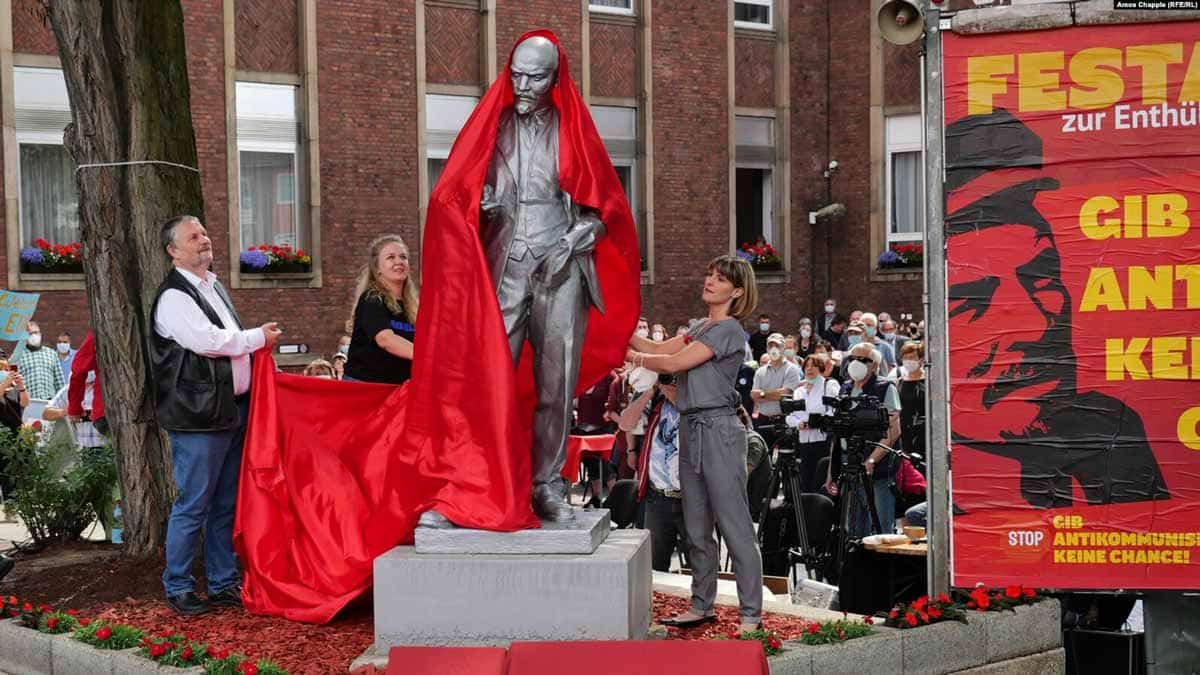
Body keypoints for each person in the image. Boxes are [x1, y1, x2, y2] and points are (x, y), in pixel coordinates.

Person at [422, 33, 614, 527]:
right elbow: (454, 195)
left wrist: (568, 245)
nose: (524, 85)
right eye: (517, 75)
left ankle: (547, 485)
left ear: (556, 78)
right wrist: (479, 206)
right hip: (503, 267)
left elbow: (602, 213)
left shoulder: (574, 131)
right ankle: (473, 486)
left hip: (561, 268)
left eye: (536, 77)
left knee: (556, 386)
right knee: (485, 382)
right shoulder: (493, 126)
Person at [945, 109, 1167, 507]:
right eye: (974, 297)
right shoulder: (953, 499)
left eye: (1042, 277)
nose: (1034, 325)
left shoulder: (1109, 434)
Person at [150, 215, 282, 616]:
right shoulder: (175, 295)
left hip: (227, 410)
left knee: (224, 503)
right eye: (194, 237)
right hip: (198, 417)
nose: (204, 240)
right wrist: (256, 337)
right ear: (173, 251)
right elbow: (206, 342)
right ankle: (178, 586)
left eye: (205, 233)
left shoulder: (212, 286)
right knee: (194, 504)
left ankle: (223, 582)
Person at [626, 254, 763, 633]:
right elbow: (660, 350)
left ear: (737, 291)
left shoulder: (730, 330)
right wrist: (619, 329)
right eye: (710, 274)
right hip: (692, 426)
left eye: (719, 279)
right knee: (696, 525)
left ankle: (751, 614)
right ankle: (702, 604)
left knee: (734, 525)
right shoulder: (703, 325)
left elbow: (671, 364)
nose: (710, 281)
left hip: (718, 429)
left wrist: (631, 354)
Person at [824, 343, 902, 538]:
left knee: (882, 524)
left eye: (862, 359)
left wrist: (872, 460)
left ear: (874, 365)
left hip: (876, 467)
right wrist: (831, 470)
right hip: (848, 461)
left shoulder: (885, 387)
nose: (856, 363)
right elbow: (838, 431)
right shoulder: (845, 388)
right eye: (852, 359)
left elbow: (893, 431)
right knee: (854, 525)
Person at [622, 378, 688, 572]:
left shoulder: (697, 384)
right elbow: (626, 423)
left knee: (701, 566)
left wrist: (669, 390)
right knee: (655, 569)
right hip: (658, 497)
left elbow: (692, 409)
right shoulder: (652, 393)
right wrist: (649, 391)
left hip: (695, 500)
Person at [344, 235, 419, 385]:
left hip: (397, 389)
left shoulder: (413, 306)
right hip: (366, 389)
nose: (399, 261)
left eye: (403, 257)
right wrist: (429, 356)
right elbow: (385, 339)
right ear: (377, 268)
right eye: (391, 257)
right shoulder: (372, 300)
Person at [790, 354, 840, 494]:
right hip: (804, 442)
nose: (810, 369)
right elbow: (790, 416)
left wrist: (816, 422)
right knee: (806, 481)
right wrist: (799, 423)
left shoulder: (829, 385)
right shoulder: (799, 391)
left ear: (821, 368)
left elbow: (834, 410)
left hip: (822, 440)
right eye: (807, 366)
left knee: (821, 480)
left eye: (814, 366)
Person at [750, 332, 801, 450]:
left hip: (784, 421)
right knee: (763, 458)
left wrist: (763, 393)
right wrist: (773, 394)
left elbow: (786, 393)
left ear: (783, 348)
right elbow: (754, 395)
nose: (774, 349)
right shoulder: (760, 371)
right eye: (770, 346)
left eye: (777, 346)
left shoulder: (792, 369)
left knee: (785, 458)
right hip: (763, 421)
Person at [14, 320, 64, 400]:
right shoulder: (18, 356)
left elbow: (59, 382)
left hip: (50, 402)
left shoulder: (51, 353)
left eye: (36, 332)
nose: (34, 336)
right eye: (30, 334)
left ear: (40, 334)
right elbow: (14, 383)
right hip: (29, 402)